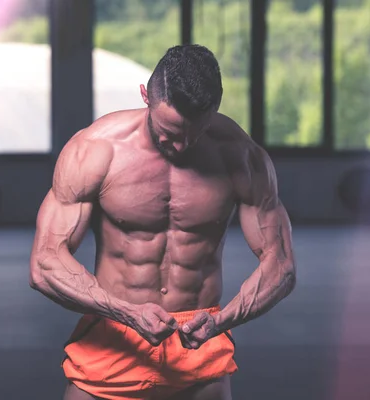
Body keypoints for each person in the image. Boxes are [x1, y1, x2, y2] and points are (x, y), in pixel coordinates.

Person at [29, 44, 296, 400]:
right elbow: (45, 264)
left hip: (200, 342)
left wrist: (223, 321)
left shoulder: (240, 157)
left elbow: (282, 266)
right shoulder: (96, 150)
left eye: (194, 133)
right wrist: (125, 312)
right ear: (145, 96)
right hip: (114, 335)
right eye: (169, 131)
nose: (181, 146)